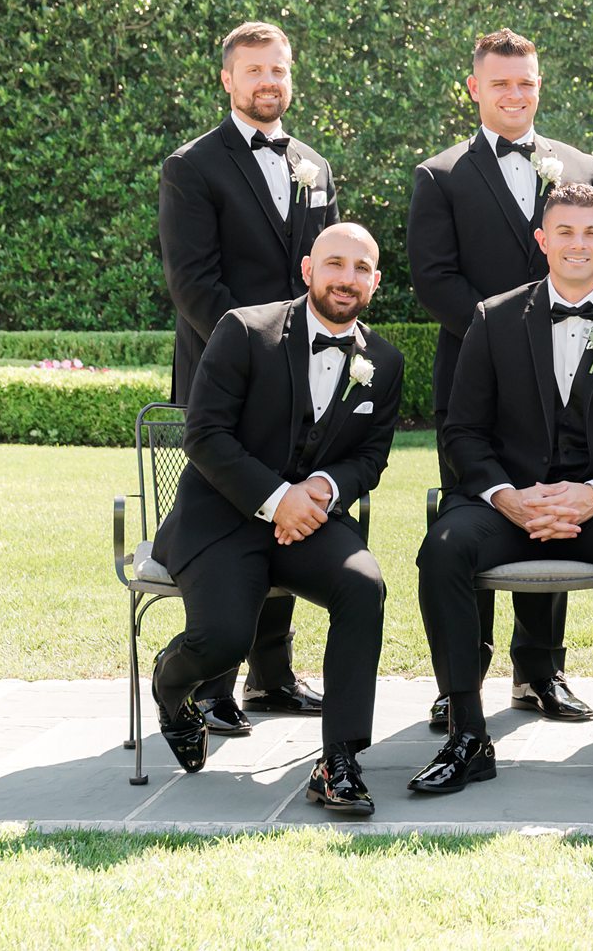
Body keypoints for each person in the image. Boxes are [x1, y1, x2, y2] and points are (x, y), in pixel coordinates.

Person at [410, 184, 593, 796]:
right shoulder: (494, 318)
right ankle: (466, 734)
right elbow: (462, 432)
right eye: (564, 231)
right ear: (542, 241)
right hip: (509, 504)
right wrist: (507, 497)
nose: (578, 244)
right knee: (444, 548)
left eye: (591, 232)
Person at [147, 223, 402, 817]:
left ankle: (339, 761)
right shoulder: (245, 330)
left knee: (363, 585)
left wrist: (320, 487)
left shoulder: (383, 361)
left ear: (375, 281)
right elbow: (205, 436)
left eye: (361, 269)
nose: (347, 279)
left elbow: (370, 456)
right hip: (222, 518)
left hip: (308, 523)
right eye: (335, 264)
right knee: (224, 639)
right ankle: (170, 682)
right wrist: (275, 498)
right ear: (309, 270)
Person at [409, 28, 593, 728]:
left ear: (539, 84)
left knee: (552, 503)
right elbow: (436, 280)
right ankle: (459, 679)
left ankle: (540, 671)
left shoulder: (579, 162)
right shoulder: (440, 175)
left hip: (567, 378)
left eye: (525, 81)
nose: (515, 93)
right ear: (475, 88)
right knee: (476, 513)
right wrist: (507, 344)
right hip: (476, 379)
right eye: (500, 83)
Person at [155, 20, 335, 735]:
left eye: (279, 70)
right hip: (223, 383)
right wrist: (261, 358)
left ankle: (272, 676)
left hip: (302, 388)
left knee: (287, 517)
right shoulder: (191, 167)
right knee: (233, 521)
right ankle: (208, 687)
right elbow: (193, 284)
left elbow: (327, 271)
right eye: (255, 70)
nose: (269, 82)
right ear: (227, 79)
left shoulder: (315, 165)